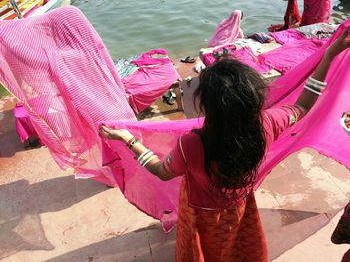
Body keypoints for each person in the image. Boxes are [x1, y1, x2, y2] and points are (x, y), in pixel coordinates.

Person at [99, 30, 350, 262]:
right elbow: (303, 106)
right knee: (235, 243)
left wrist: (128, 140)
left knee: (203, 249)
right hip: (238, 205)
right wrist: (328, 55)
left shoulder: (192, 143)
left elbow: (161, 171)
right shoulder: (267, 123)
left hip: (201, 213)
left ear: (207, 107)